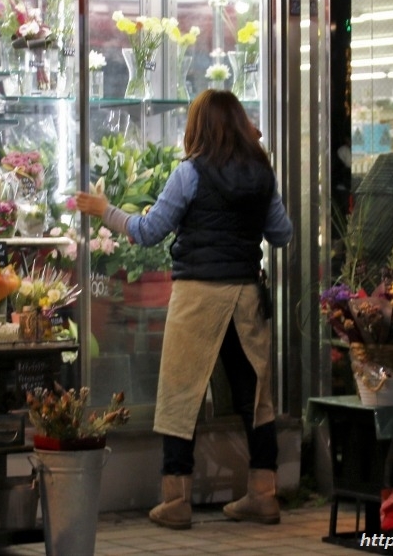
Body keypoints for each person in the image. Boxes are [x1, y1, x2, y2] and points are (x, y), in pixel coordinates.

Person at [74, 89, 292, 530]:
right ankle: (264, 493)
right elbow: (282, 234)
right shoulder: (261, 172)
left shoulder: (189, 174)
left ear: (198, 128)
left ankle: (176, 500)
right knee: (256, 399)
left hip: (197, 297)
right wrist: (258, 160)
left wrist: (105, 211)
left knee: (181, 394)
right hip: (246, 297)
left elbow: (149, 231)